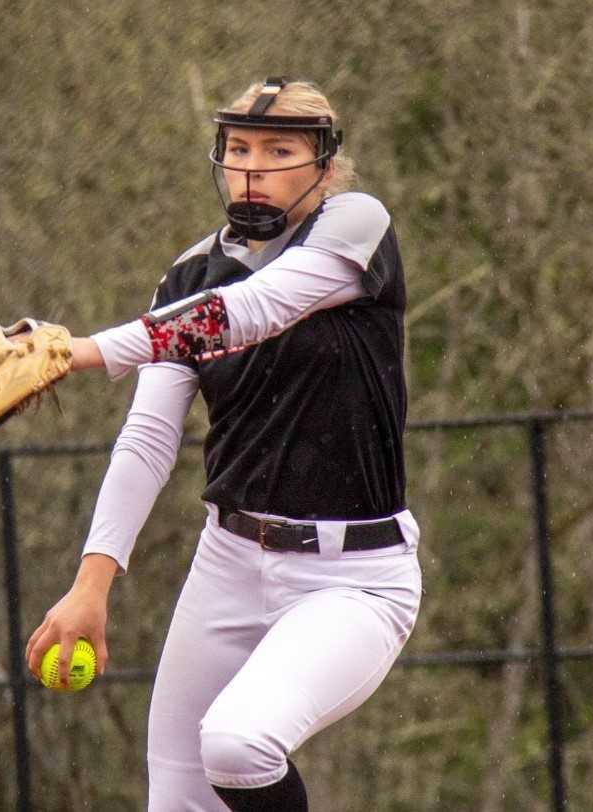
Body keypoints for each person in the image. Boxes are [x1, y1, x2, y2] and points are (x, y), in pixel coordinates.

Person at [24, 77, 422, 812]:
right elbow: (147, 437)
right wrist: (92, 582)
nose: (252, 166)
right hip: (228, 563)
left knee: (238, 745)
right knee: (176, 799)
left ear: (325, 167)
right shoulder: (189, 275)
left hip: (352, 577)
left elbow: (251, 310)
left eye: (278, 150)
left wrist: (85, 351)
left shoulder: (354, 225)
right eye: (239, 148)